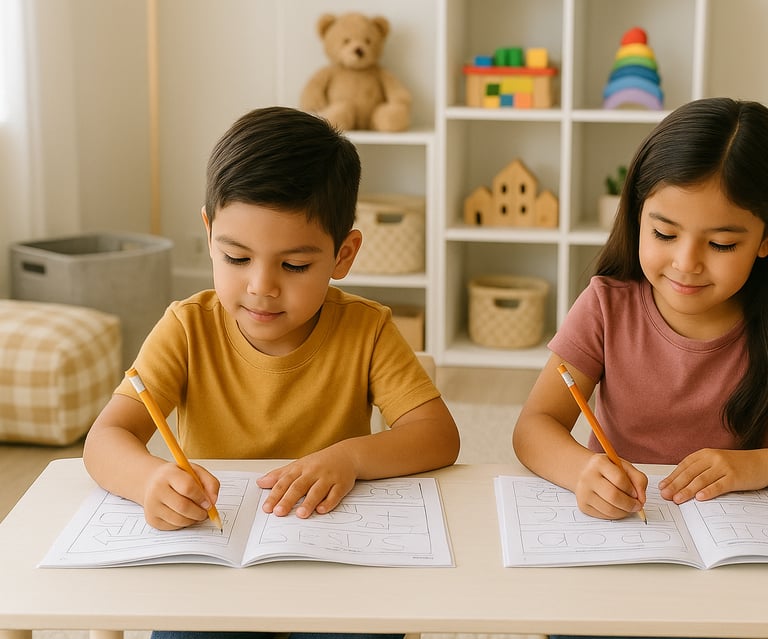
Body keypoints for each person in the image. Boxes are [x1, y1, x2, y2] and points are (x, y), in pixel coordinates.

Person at [83, 105, 460, 639]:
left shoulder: (366, 329)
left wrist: (350, 456)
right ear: (209, 233)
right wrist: (150, 479)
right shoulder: (186, 328)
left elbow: (438, 437)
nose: (261, 286)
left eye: (295, 266)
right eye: (236, 258)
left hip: (329, 549)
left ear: (344, 254)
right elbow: (105, 439)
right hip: (215, 556)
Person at [513, 96, 768, 524]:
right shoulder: (606, 306)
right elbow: (533, 427)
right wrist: (581, 471)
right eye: (664, 233)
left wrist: (753, 466)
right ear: (637, 216)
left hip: (737, 532)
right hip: (625, 525)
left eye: (722, 243)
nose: (686, 263)